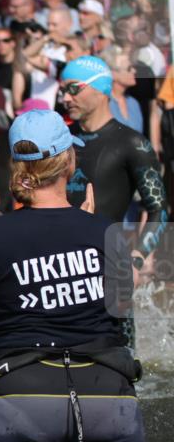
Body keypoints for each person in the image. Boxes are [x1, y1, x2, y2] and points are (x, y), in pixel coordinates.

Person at [0, 109, 143, 442]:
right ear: (68, 162)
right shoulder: (103, 231)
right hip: (108, 399)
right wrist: (89, 227)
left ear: (17, 166)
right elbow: (123, 298)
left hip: (20, 400)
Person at [59, 56, 167, 283]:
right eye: (63, 90)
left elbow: (159, 209)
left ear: (101, 90)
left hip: (107, 267)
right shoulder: (60, 138)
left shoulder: (132, 143)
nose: (66, 98)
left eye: (74, 88)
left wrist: (137, 258)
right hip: (59, 265)